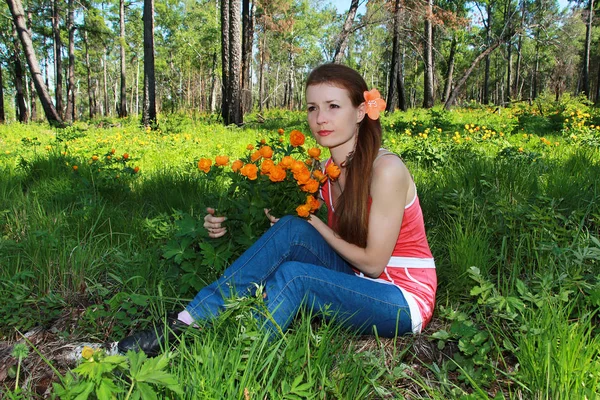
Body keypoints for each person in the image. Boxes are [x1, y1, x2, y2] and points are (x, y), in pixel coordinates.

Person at [117, 63, 437, 356]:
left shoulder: (386, 170)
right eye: (313, 108)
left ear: (359, 112)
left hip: (402, 298)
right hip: (355, 278)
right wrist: (231, 221)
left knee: (296, 276)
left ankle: (234, 359)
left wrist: (316, 224)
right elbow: (287, 233)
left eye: (333, 106)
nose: (320, 118)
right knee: (290, 229)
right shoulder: (324, 170)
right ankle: (187, 323)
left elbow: (373, 263)